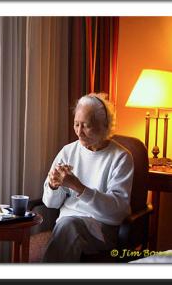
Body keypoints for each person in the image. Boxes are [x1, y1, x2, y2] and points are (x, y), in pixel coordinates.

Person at [41, 93, 134, 262]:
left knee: (68, 226)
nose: (79, 132)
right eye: (76, 124)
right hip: (65, 225)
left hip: (101, 230)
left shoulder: (121, 157)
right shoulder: (68, 151)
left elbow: (117, 211)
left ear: (105, 126)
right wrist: (53, 187)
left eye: (86, 126)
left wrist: (78, 187)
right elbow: (50, 203)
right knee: (67, 225)